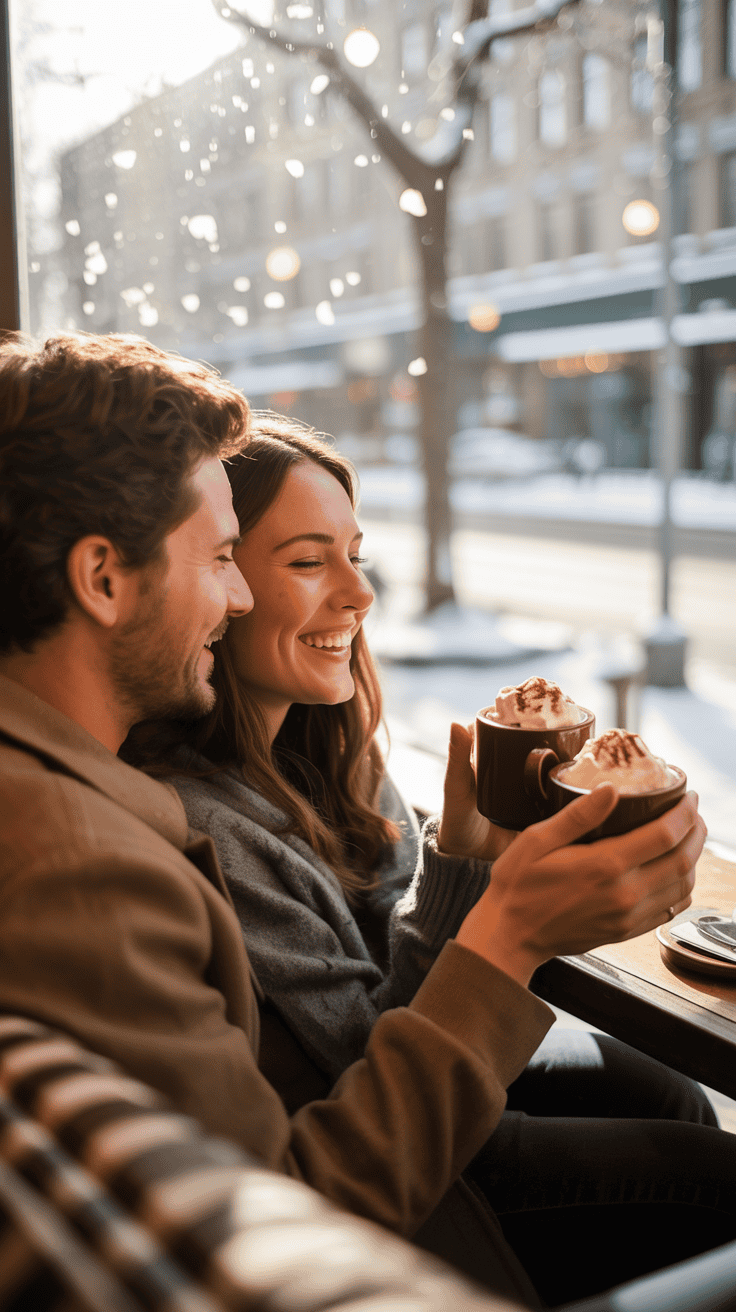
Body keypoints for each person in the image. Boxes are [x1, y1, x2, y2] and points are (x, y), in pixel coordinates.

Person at [0, 330, 715, 1309]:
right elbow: (288, 1220)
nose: (241, 592)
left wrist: (470, 868)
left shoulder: (87, 797)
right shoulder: (86, 865)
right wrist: (506, 934)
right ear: (104, 578)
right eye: (220, 557)